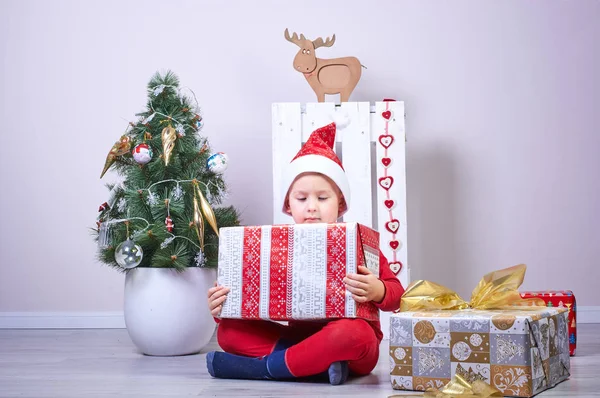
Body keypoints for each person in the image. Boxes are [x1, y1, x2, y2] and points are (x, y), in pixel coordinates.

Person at [206, 122, 405, 385]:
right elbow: (252, 301)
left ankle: (266, 368)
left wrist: (378, 290)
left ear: (341, 203)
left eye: (323, 198)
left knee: (355, 333)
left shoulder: (358, 242)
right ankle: (316, 366)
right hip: (298, 340)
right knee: (229, 331)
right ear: (289, 205)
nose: (312, 208)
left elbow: (398, 296)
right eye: (301, 199)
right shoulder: (276, 245)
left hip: (350, 343)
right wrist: (222, 306)